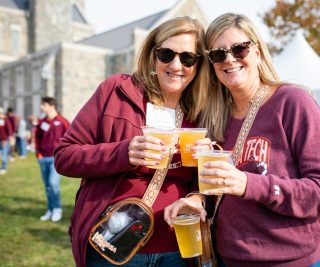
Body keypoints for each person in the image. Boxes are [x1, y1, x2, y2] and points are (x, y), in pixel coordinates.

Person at [165, 13, 320, 267]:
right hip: (227, 258)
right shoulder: (215, 116)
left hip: (290, 261)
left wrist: (249, 184)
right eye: (218, 54)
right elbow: (218, 187)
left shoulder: (292, 102)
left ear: (258, 51)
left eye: (239, 49)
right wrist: (197, 198)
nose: (229, 59)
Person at [54, 17, 211, 267]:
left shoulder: (203, 112)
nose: (176, 64)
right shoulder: (117, 91)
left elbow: (209, 182)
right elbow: (65, 156)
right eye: (166, 54)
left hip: (176, 248)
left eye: (187, 58)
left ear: (199, 64)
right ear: (153, 55)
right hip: (114, 244)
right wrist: (123, 152)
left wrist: (197, 195)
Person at [36, 97, 70, 222]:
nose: (41, 107)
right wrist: (38, 154)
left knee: (53, 184)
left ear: (51, 105)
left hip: (56, 159)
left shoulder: (62, 121)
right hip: (43, 158)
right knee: (47, 186)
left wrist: (64, 154)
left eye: (43, 104)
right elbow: (37, 139)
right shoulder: (42, 122)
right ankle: (50, 210)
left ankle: (57, 209)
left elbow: (71, 138)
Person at [0, 107, 12, 175]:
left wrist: (6, 139)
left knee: (4, 154)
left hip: (4, 140)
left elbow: (9, 130)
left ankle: (4, 167)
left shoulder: (6, 120)